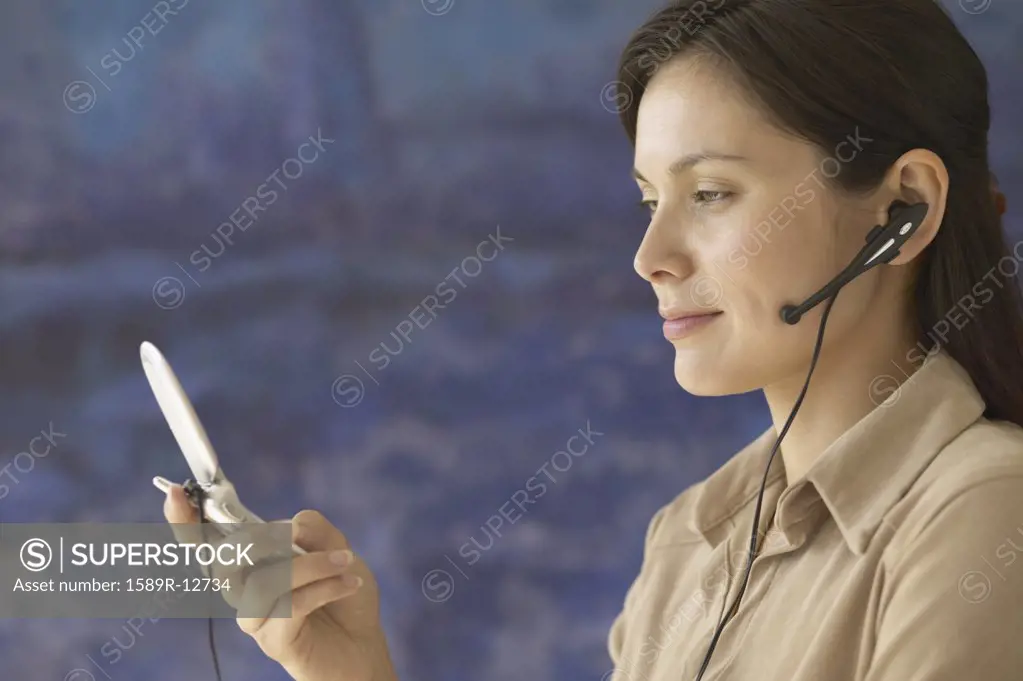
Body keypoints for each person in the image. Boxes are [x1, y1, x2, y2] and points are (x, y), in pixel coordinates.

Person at [162, 0, 1023, 679]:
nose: (650, 256)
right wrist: (350, 670)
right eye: (651, 201)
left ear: (902, 205)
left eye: (712, 193)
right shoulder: (688, 539)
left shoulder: (983, 511)